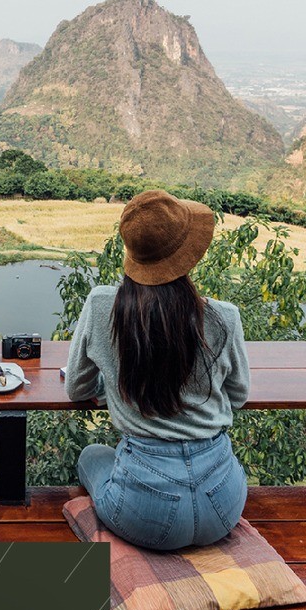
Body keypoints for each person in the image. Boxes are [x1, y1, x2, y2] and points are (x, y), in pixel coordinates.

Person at [64, 189, 249, 552]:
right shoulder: (224, 317)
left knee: (91, 456)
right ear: (188, 256)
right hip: (224, 506)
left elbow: (76, 387)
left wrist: (116, 387)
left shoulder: (102, 305)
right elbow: (238, 396)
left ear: (132, 253)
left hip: (144, 516)